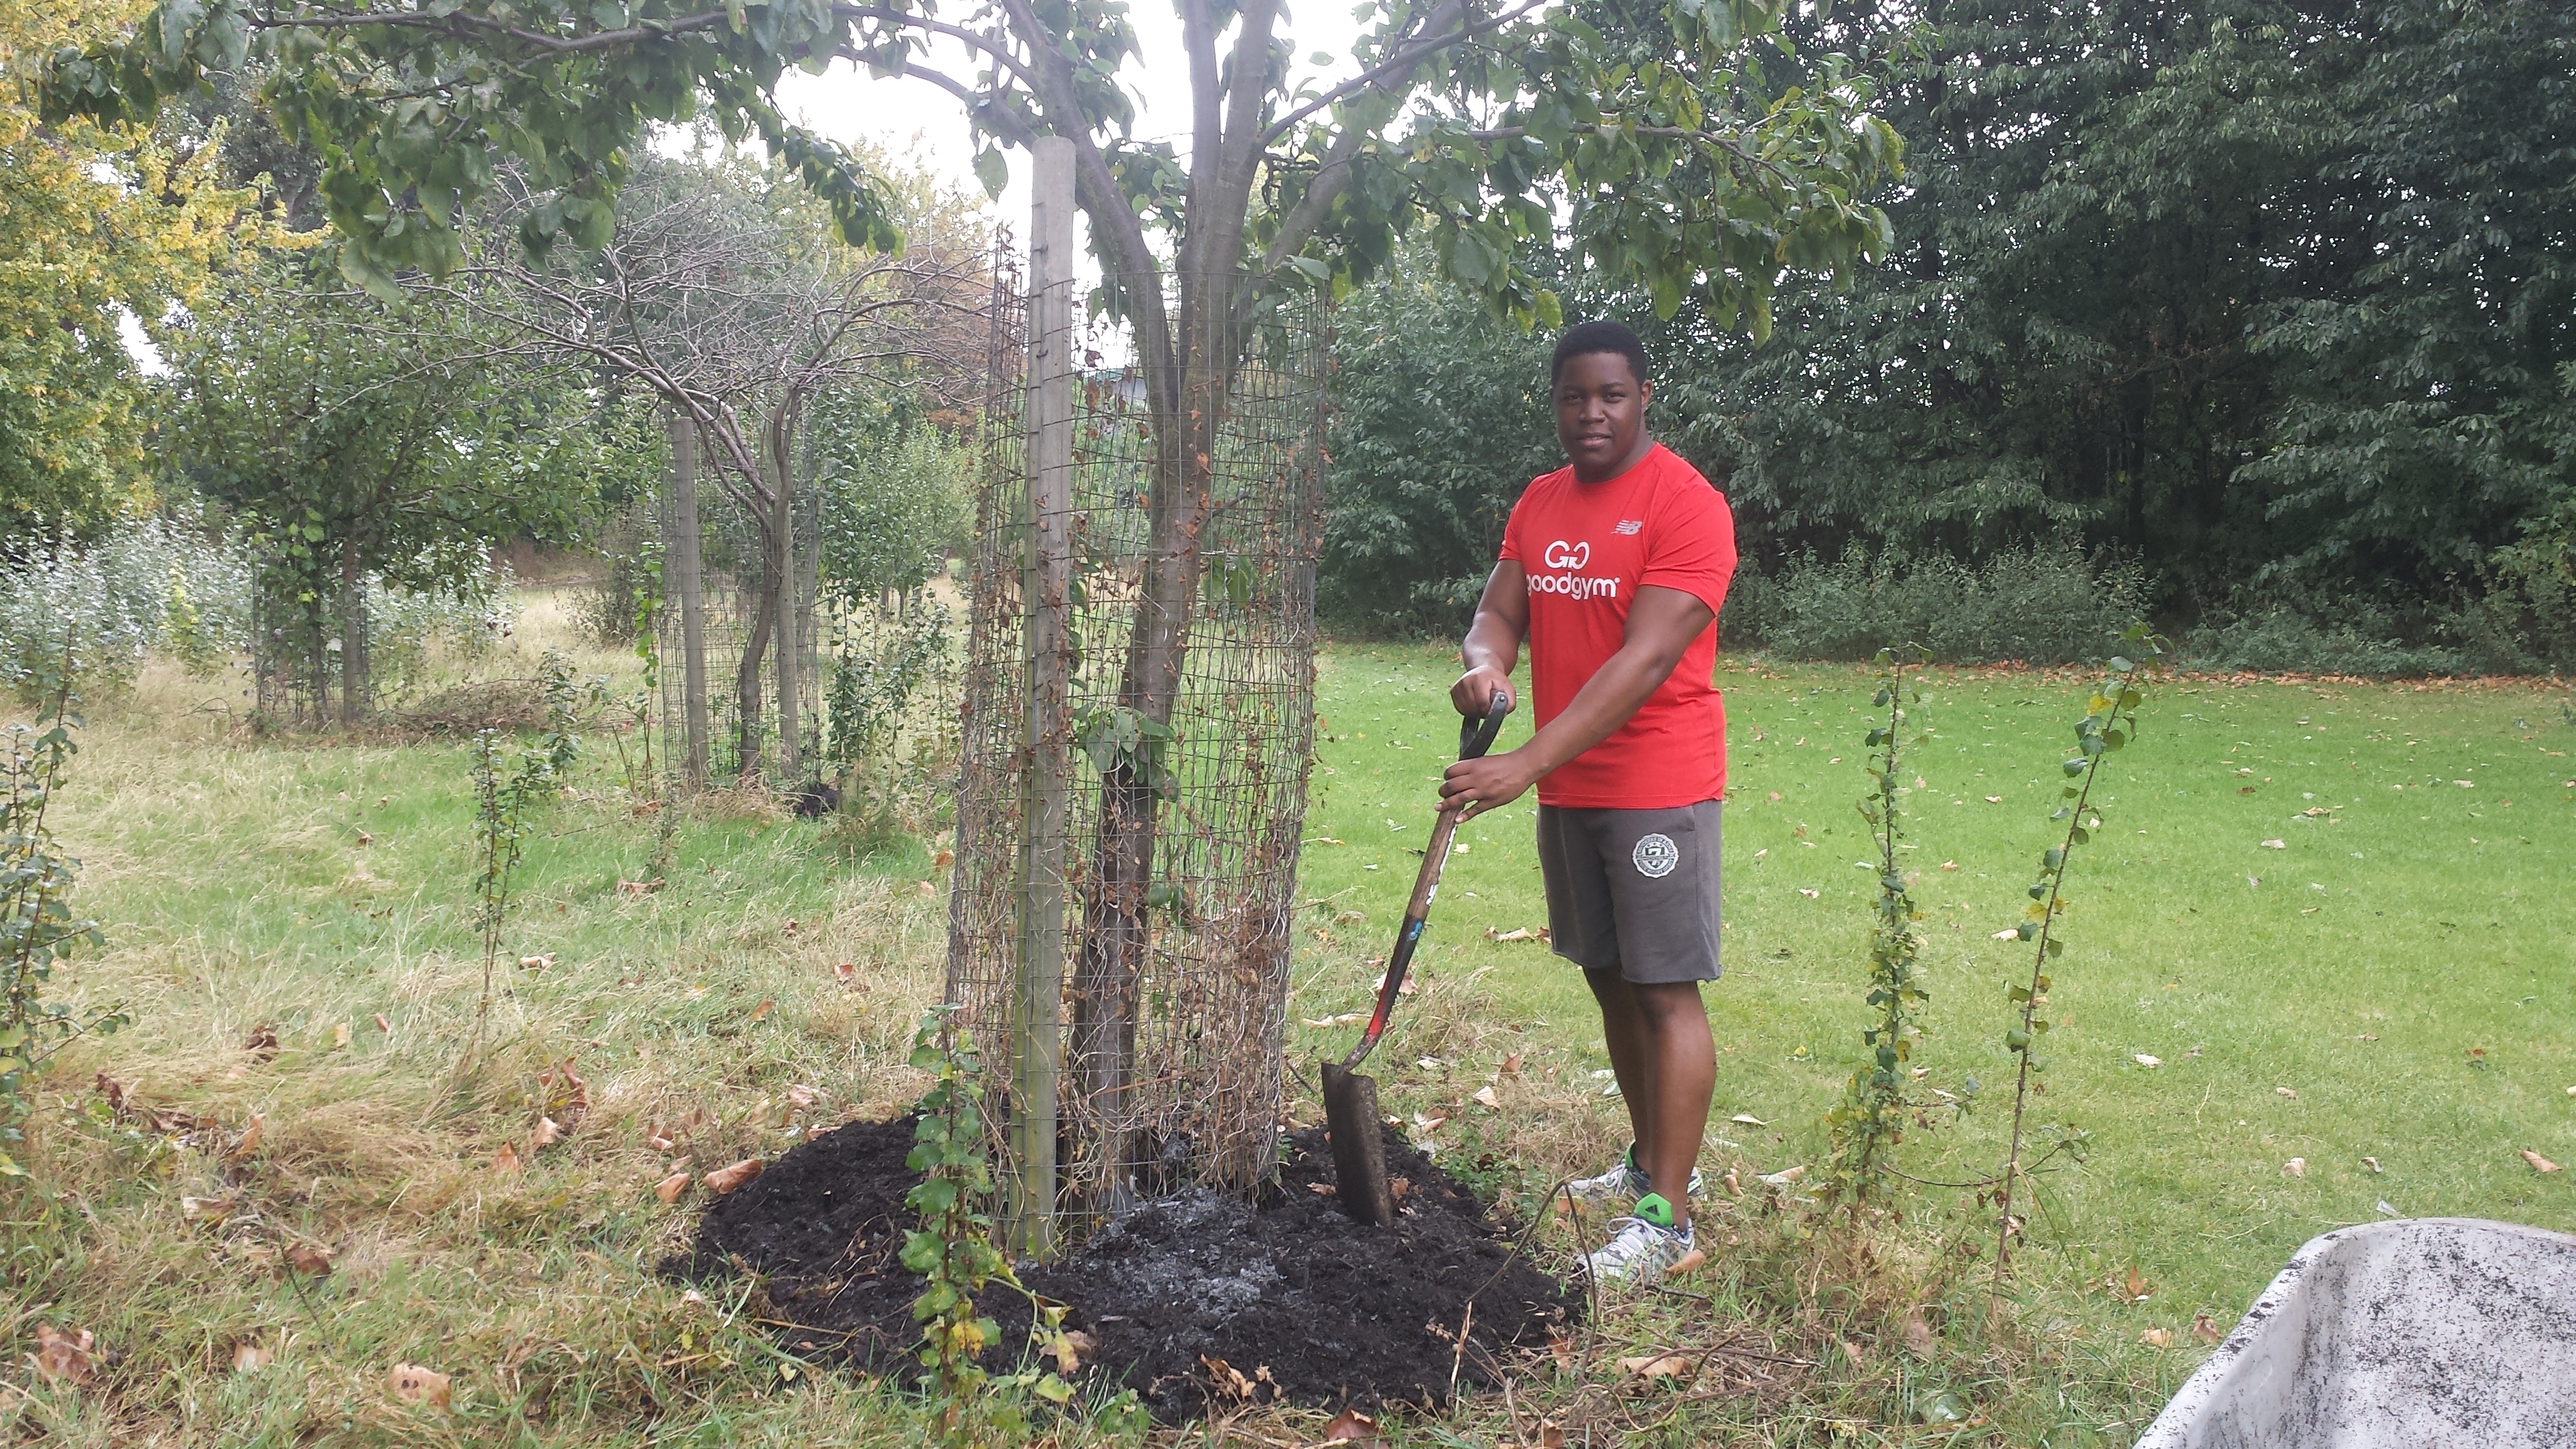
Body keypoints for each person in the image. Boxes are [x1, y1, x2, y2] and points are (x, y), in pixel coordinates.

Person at [1440, 320, 1737, 1287]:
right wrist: (1486, 666)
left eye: (1611, 394)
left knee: (1663, 988)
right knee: (1608, 976)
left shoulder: (1688, 506)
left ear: (1645, 395)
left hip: (1657, 786)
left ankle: (1671, 1220)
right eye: (1575, 395)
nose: (1592, 412)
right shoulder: (1542, 501)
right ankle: (1647, 1163)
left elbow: (1644, 661)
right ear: (1557, 402)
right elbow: (1499, 608)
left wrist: (1522, 761)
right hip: (1571, 783)